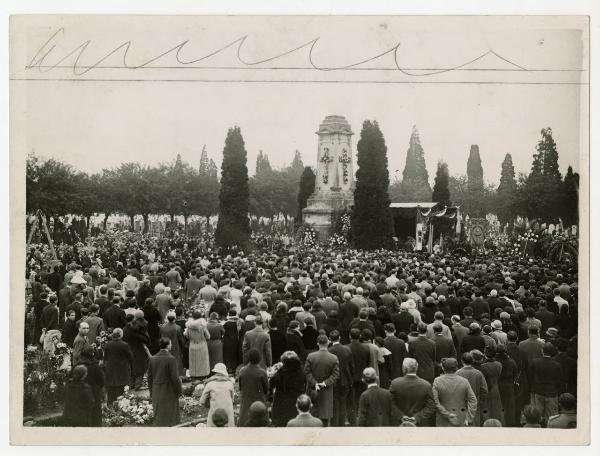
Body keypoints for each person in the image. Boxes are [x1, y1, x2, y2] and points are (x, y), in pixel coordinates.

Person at [304, 334, 340, 427]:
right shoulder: (333, 358)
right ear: (328, 343)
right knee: (324, 417)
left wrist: (315, 383)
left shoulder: (310, 356)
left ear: (317, 343)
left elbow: (307, 372)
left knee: (312, 414)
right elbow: (335, 374)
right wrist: (325, 383)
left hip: (312, 389)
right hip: (326, 390)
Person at [389, 358, 436, 426]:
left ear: (404, 368)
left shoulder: (395, 383)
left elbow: (389, 403)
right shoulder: (426, 385)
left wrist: (401, 416)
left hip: (400, 424)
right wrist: (417, 417)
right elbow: (431, 406)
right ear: (416, 368)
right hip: (419, 425)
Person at [148, 337, 183, 426]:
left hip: (156, 389)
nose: (172, 345)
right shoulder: (171, 359)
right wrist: (179, 391)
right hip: (168, 390)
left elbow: (150, 377)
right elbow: (175, 378)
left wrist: (151, 391)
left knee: (159, 415)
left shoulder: (153, 358)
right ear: (167, 346)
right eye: (170, 343)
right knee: (170, 418)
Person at [432, 358, 477, 427]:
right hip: (460, 418)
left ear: (443, 368)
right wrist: (469, 418)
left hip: (442, 420)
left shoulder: (437, 381)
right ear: (456, 368)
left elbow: (435, 401)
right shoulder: (464, 381)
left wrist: (447, 414)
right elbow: (473, 401)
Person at [530, 342, 565, 425]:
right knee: (551, 417)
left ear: (542, 350)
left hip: (538, 392)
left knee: (538, 415)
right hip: (552, 393)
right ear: (553, 352)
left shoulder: (535, 362)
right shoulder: (557, 365)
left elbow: (530, 377)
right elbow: (559, 381)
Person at [327, 330, 354, 427]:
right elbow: (351, 366)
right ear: (339, 338)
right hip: (345, 380)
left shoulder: (329, 351)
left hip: (333, 381)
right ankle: (342, 422)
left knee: (334, 403)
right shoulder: (347, 349)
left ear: (329, 339)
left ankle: (335, 423)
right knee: (343, 402)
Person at [76, 346, 105, 426]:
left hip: (80, 391)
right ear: (92, 354)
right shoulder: (95, 365)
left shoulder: (78, 364)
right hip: (94, 392)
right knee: (95, 413)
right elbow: (102, 380)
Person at [457, 352, 488, 426]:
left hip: (461, 405)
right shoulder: (478, 373)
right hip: (475, 405)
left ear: (462, 361)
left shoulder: (458, 373)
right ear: (472, 361)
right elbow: (484, 390)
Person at [199, 363, 235, 427]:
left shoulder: (210, 384)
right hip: (228, 415)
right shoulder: (230, 383)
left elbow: (202, 401)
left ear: (215, 372)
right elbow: (232, 399)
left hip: (215, 414)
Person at [104, 328, 133, 405]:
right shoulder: (125, 345)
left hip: (111, 369)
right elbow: (131, 357)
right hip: (122, 370)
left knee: (111, 390)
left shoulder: (108, 344)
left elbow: (105, 358)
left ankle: (110, 407)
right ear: (121, 335)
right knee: (121, 390)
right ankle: (120, 408)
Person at [122, 310, 151, 390]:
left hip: (129, 348)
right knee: (140, 367)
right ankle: (138, 385)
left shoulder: (126, 328)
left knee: (132, 367)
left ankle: (131, 384)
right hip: (138, 349)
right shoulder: (138, 327)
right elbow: (144, 338)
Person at [185, 310, 211, 379]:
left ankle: (194, 375)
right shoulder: (203, 326)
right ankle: (202, 376)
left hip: (192, 345)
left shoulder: (188, 326)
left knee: (193, 361)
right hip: (202, 345)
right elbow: (208, 336)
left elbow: (187, 336)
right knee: (202, 361)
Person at [160, 311, 186, 376]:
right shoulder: (177, 328)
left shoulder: (162, 327)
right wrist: (183, 349)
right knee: (176, 363)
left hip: (164, 348)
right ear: (175, 318)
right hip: (175, 348)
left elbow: (160, 337)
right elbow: (182, 340)